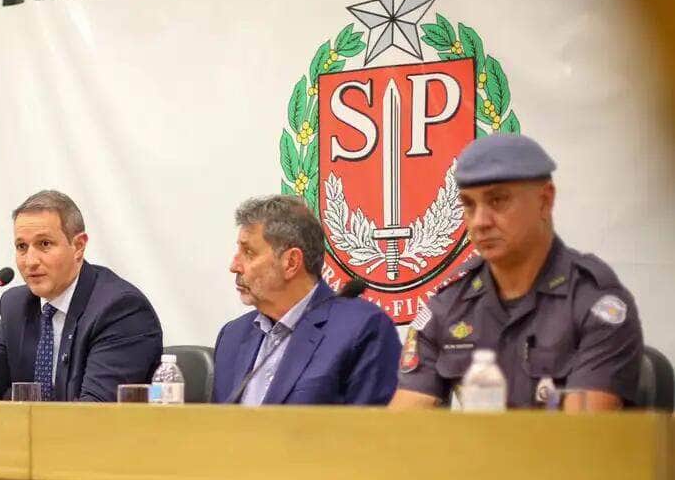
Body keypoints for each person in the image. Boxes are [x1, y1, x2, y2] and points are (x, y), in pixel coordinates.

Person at [390, 133, 643, 411]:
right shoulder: (448, 305)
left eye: (497, 201)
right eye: (469, 205)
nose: (480, 222)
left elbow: (580, 439)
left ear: (545, 201)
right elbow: (404, 423)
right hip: (470, 453)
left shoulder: (595, 304)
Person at [0, 190, 162, 401]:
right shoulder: (16, 305)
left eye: (44, 244)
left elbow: (98, 409)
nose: (30, 261)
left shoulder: (120, 309)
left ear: (78, 246)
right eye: (22, 247)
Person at [212, 195, 401, 405]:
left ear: (291, 262)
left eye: (249, 252)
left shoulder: (362, 329)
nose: (234, 266)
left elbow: (372, 432)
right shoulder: (232, 336)